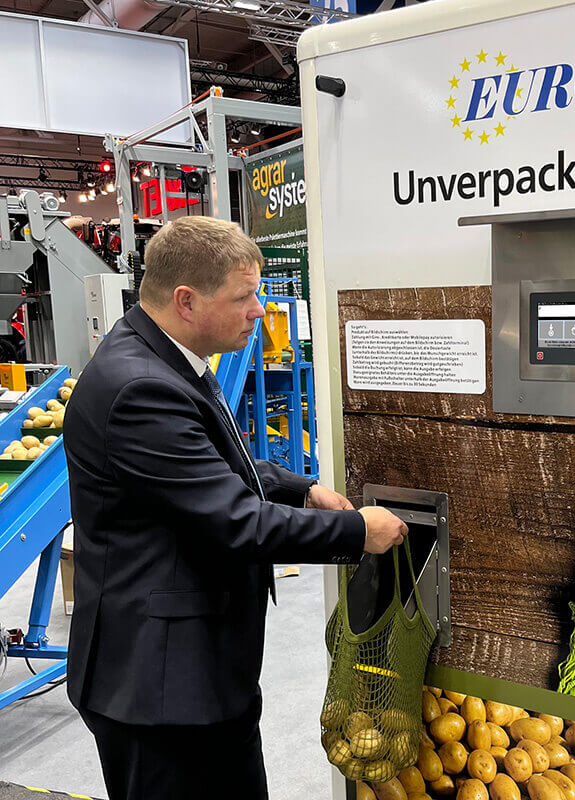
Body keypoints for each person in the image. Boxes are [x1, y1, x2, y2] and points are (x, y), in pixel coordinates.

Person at [62, 216, 406, 800]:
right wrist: (354, 531)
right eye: (245, 296)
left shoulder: (168, 360)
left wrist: (298, 488)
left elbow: (206, 467)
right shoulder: (139, 387)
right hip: (159, 691)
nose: (260, 312)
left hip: (194, 676)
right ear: (187, 301)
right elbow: (233, 522)